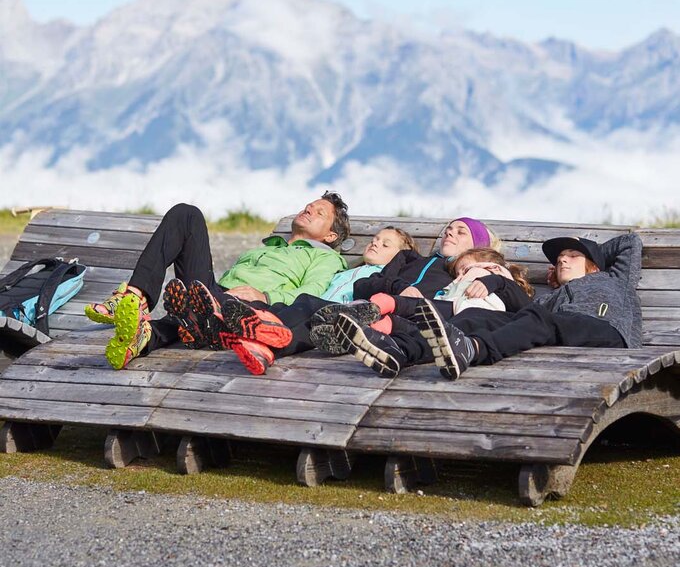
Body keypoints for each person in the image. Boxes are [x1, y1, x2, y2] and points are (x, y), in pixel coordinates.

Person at [84, 192, 350, 369]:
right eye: (309, 206)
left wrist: (266, 296)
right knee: (186, 214)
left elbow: (313, 293)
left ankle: (149, 335)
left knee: (197, 311)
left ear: (330, 236)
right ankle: (135, 296)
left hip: (249, 311)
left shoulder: (325, 257)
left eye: (320, 213)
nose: (309, 209)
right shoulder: (270, 247)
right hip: (213, 295)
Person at [170, 226, 419, 374]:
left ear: (400, 256)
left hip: (338, 315)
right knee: (281, 307)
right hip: (307, 310)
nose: (375, 244)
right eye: (375, 240)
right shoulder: (344, 270)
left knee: (306, 304)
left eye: (385, 244)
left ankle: (227, 327)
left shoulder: (386, 277)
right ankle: (222, 330)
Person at [407, 233, 642, 380]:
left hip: (608, 332)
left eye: (573, 255)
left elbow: (630, 242)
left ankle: (473, 349)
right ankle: (406, 350)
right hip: (561, 333)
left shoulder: (614, 278)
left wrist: (591, 250)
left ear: (594, 265)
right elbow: (522, 317)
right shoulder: (548, 300)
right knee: (477, 315)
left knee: (540, 318)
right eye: (560, 257)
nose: (562, 259)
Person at [329, 246, 533, 377]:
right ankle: (382, 332)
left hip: (472, 316)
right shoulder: (461, 281)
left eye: (465, 269)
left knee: (425, 319)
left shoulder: (495, 275)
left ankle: (382, 318)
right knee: (425, 319)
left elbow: (524, 307)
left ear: (492, 266)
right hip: (454, 313)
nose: (460, 276)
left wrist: (494, 281)